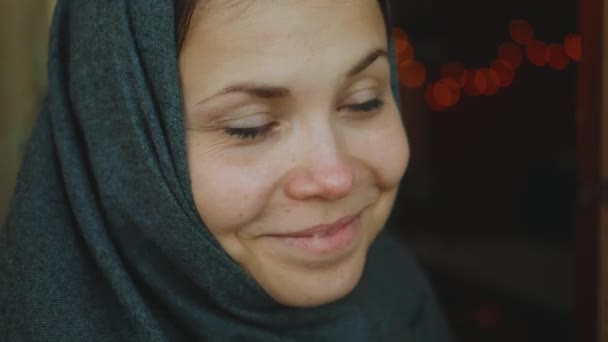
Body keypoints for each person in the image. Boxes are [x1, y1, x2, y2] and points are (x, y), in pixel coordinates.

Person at [0, 0, 453, 340]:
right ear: (123, 143)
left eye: (363, 101)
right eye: (249, 128)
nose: (335, 177)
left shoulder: (400, 297)